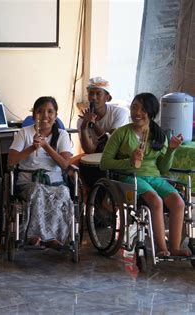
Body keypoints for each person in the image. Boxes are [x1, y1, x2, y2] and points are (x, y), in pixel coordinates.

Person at [100, 92, 190, 257]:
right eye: (134, 107)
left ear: (152, 112)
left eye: (143, 109)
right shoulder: (121, 133)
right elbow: (104, 163)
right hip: (130, 177)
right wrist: (130, 162)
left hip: (154, 177)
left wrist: (170, 150)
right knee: (155, 201)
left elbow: (163, 169)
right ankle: (162, 249)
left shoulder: (158, 135)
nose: (137, 113)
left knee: (178, 203)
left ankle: (175, 247)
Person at [8, 96, 74, 249]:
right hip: (28, 183)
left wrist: (45, 146)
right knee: (38, 191)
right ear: (33, 116)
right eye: (40, 111)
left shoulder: (62, 135)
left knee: (63, 193)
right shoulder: (24, 133)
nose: (45, 116)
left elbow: (65, 164)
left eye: (50, 112)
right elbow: (11, 162)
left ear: (56, 116)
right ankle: (36, 236)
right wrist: (32, 147)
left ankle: (54, 237)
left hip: (54, 182)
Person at [77, 76, 129, 154]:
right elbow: (88, 151)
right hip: (96, 159)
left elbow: (112, 142)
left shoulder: (119, 113)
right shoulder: (82, 120)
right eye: (91, 93)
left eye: (98, 94)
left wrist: (93, 124)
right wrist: (84, 127)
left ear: (107, 98)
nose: (93, 97)